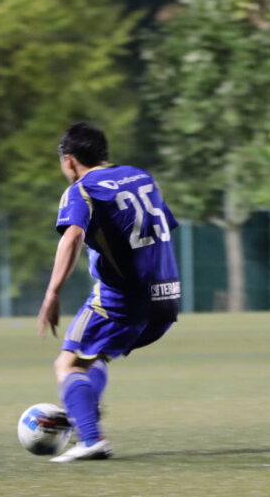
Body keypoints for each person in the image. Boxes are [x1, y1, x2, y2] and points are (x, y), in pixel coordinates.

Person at [36, 122, 180, 462]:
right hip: (167, 297)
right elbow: (164, 226)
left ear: (69, 160)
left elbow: (72, 237)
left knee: (68, 364)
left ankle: (90, 437)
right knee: (94, 356)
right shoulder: (141, 177)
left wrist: (52, 293)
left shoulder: (81, 190)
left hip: (123, 300)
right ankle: (84, 412)